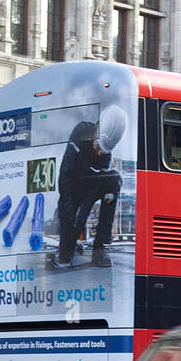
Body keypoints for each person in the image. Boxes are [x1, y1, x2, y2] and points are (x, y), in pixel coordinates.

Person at [55, 105, 126, 267]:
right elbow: (64, 175)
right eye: (99, 146)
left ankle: (99, 248)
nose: (100, 152)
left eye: (105, 150)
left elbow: (94, 188)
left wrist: (81, 218)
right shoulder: (81, 131)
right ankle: (68, 246)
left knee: (114, 180)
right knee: (66, 255)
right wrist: (71, 215)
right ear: (96, 129)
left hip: (90, 187)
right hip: (71, 190)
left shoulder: (105, 155)